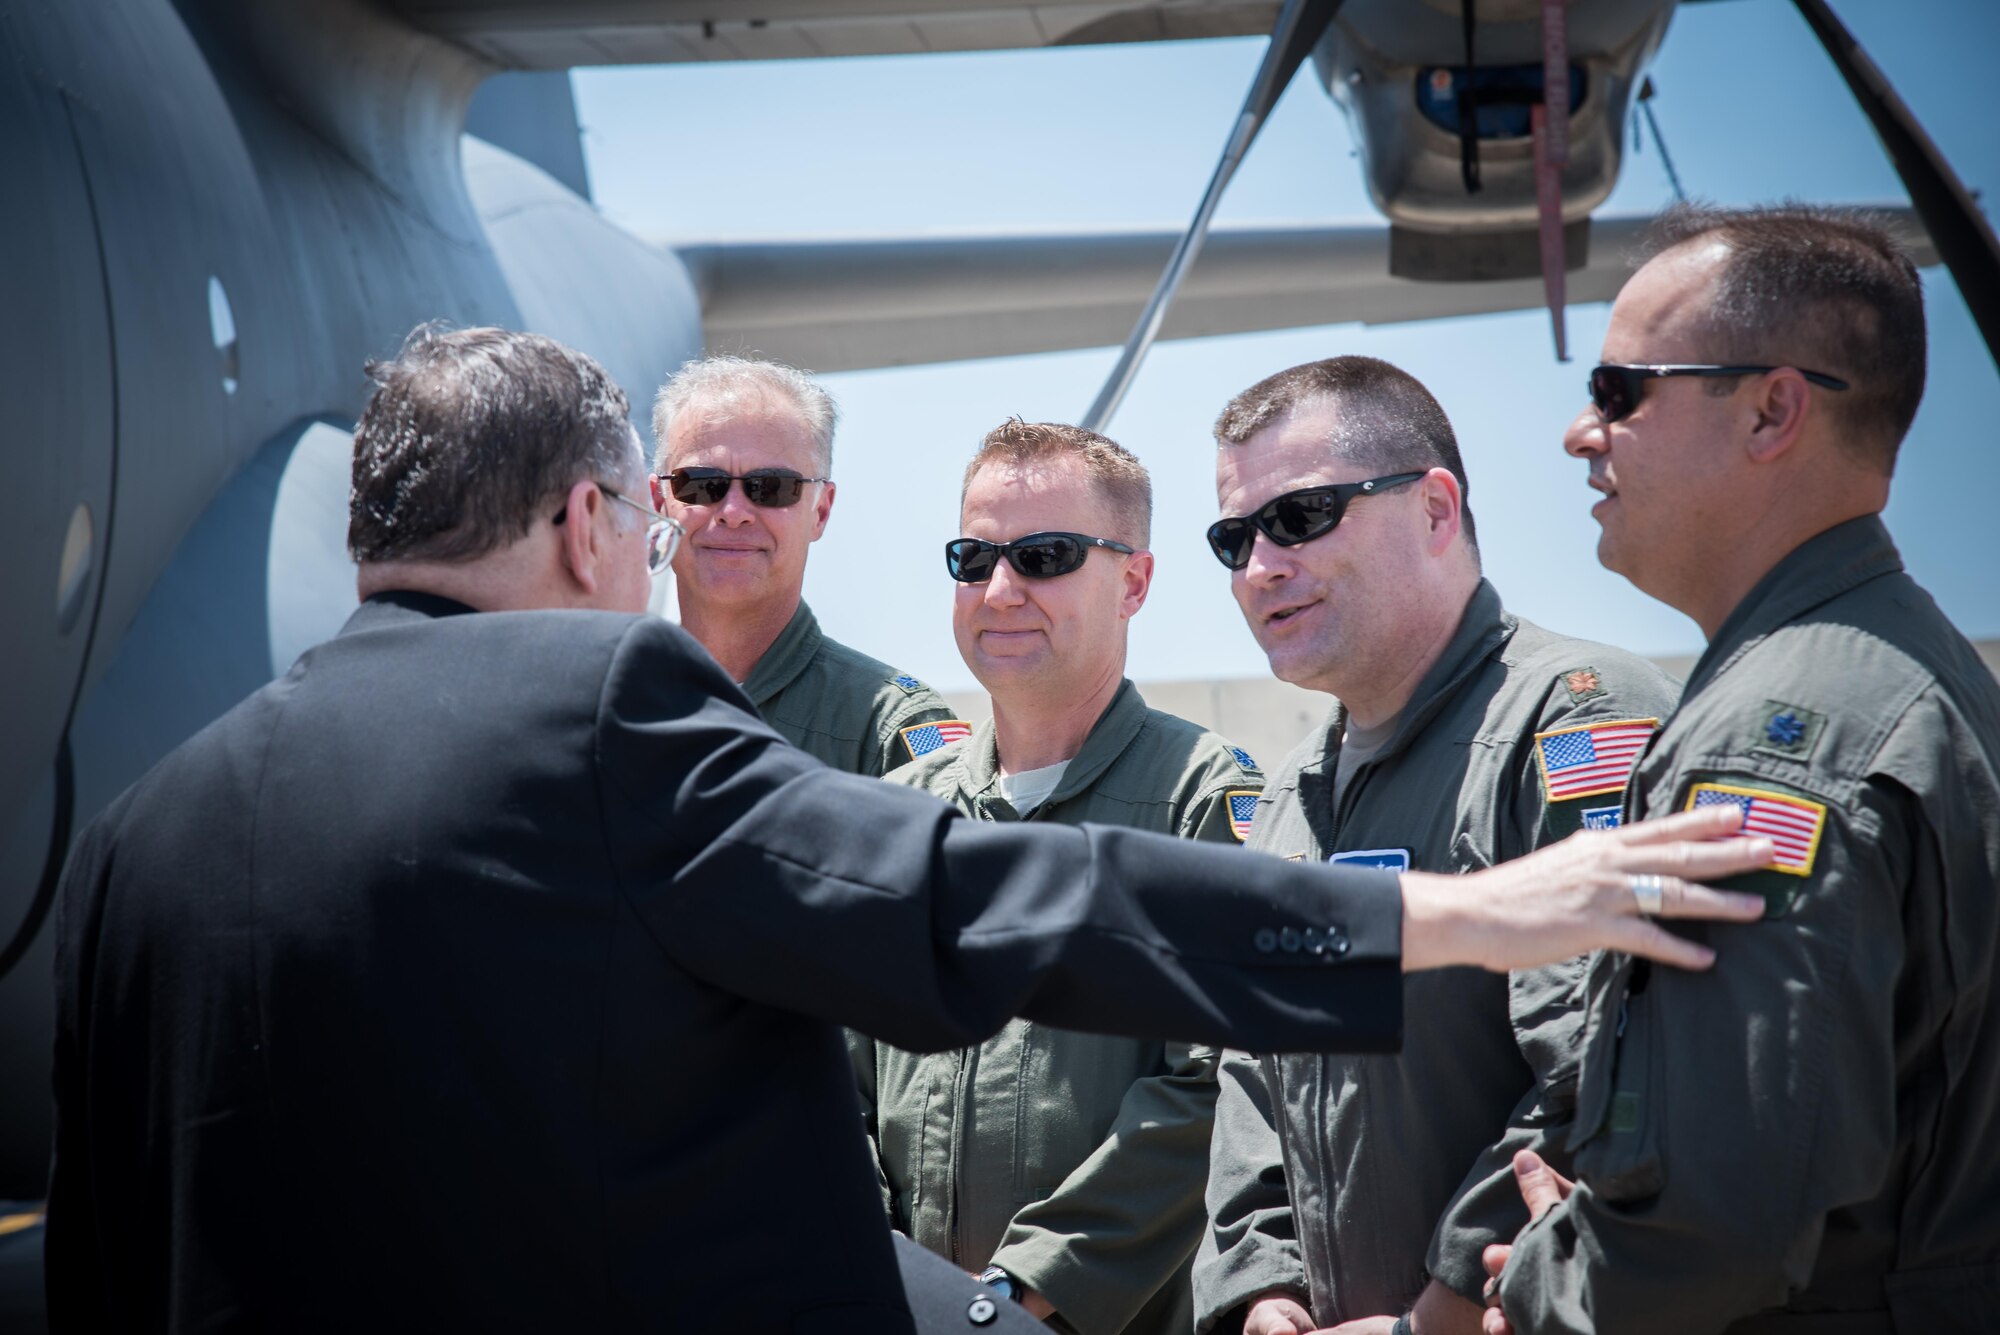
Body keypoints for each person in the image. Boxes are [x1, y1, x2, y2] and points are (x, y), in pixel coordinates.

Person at [44, 325, 1768, 1335]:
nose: (666, 556)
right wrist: (1449, 919)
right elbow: (972, 901)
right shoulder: (597, 706)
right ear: (583, 522)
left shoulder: (140, 837)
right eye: (655, 515)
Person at [1472, 205, 2000, 1335]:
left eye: (1619, 392)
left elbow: (1720, 1224)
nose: (1579, 433)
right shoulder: (1908, 670)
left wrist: (1542, 1286)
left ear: (1772, 410)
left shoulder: (1772, 737)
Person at [1191, 357, 1681, 1335]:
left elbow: (1611, 1064)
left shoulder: (1574, 724)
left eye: (1298, 517)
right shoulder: (1289, 798)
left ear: (1433, 509)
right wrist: (1263, 1290)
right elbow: (1252, 1079)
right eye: (1234, 538)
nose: (1258, 568)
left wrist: (1438, 1311)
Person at [855, 421, 1264, 1335]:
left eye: (1044, 556)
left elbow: (1215, 1090)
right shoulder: (897, 817)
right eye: (975, 558)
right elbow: (831, 1081)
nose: (1001, 590)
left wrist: (1015, 1298)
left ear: (1135, 583)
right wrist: (876, 1275)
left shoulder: (1205, 804)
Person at [650, 354, 963, 774]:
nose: (734, 512)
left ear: (821, 511)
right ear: (659, 502)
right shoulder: (599, 707)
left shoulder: (889, 730)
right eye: (702, 484)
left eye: (771, 487)